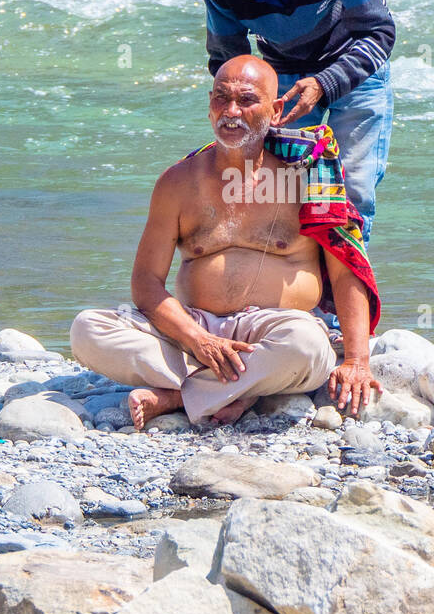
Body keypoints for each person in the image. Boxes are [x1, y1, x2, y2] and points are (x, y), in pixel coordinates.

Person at [69, 55, 381, 429]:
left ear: (276, 109)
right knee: (88, 329)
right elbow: (146, 284)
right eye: (221, 98)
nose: (231, 111)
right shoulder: (177, 182)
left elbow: (346, 269)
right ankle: (239, 389)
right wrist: (198, 339)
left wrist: (357, 361)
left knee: (307, 348)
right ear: (209, 105)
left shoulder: (309, 173)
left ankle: (176, 396)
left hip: (276, 328)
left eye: (247, 100)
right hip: (193, 327)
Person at [199, 0, 394, 249]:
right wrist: (240, 114)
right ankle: (301, 295)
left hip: (353, 62)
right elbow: (229, 60)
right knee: (285, 191)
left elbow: (378, 33)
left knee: (353, 192)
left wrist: (324, 84)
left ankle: (345, 300)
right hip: (282, 74)